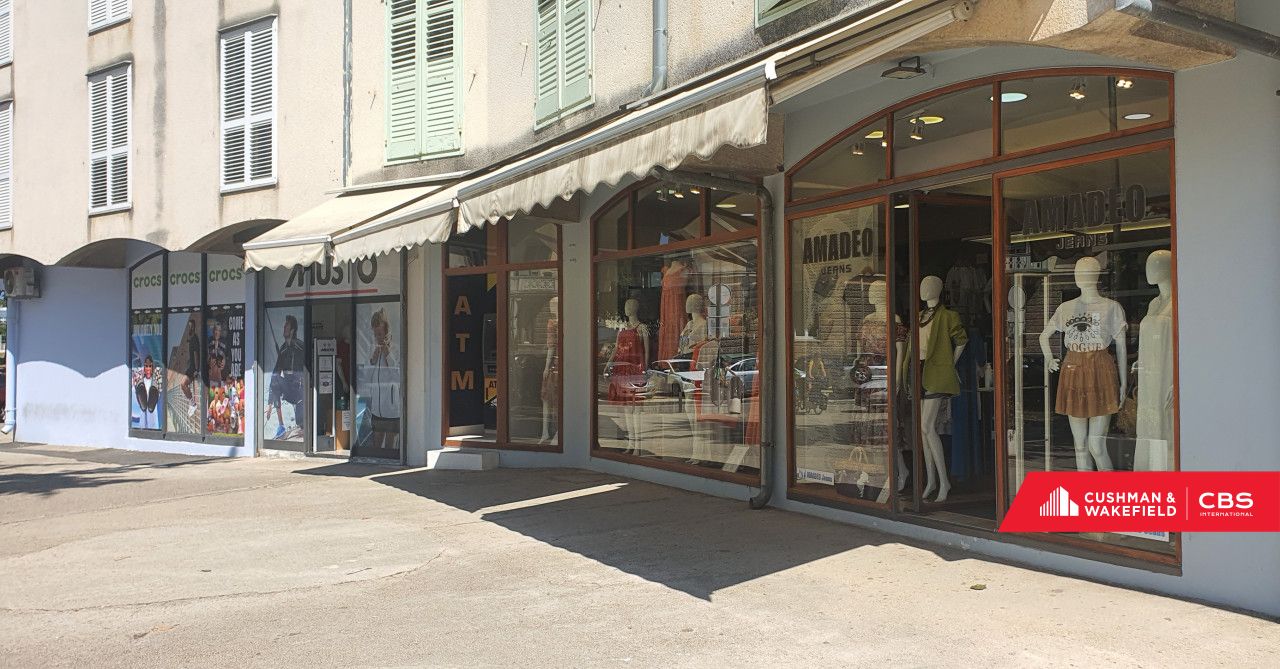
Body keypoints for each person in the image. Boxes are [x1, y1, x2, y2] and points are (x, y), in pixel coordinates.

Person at [366, 308, 400, 452]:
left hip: (391, 409)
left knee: (390, 446)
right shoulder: (373, 350)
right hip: (376, 408)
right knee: (376, 444)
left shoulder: (395, 349)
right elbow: (367, 377)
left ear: (386, 332)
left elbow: (398, 376)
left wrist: (388, 355)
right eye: (375, 334)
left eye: (380, 334)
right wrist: (372, 360)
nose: (378, 338)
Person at [268, 314, 306, 439]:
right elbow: (275, 372)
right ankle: (281, 426)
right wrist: (270, 402)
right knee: (275, 379)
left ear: (292, 330)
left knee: (301, 421)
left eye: (287, 325)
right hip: (289, 388)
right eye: (284, 325)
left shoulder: (301, 347)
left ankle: (302, 425)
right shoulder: (283, 349)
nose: (284, 328)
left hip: (301, 388)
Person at [134, 355, 161, 429]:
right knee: (144, 408)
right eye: (146, 366)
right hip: (142, 399)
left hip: (152, 401)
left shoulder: (156, 376)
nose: (148, 368)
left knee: (150, 409)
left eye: (150, 366)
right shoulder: (141, 376)